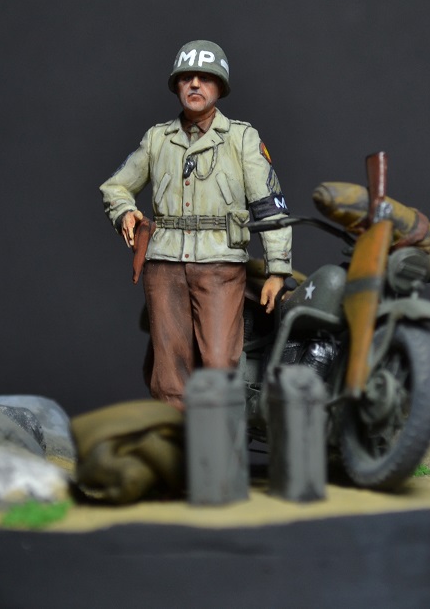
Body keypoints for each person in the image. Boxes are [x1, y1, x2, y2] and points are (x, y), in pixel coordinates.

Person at [100, 40, 292, 410]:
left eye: (205, 78)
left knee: (219, 365)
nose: (195, 85)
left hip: (221, 264)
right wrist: (124, 210)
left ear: (220, 86)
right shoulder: (158, 138)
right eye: (186, 77)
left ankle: (217, 442)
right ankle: (175, 441)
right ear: (176, 85)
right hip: (165, 264)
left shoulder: (241, 138)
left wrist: (277, 270)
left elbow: (270, 205)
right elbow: (116, 185)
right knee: (169, 369)